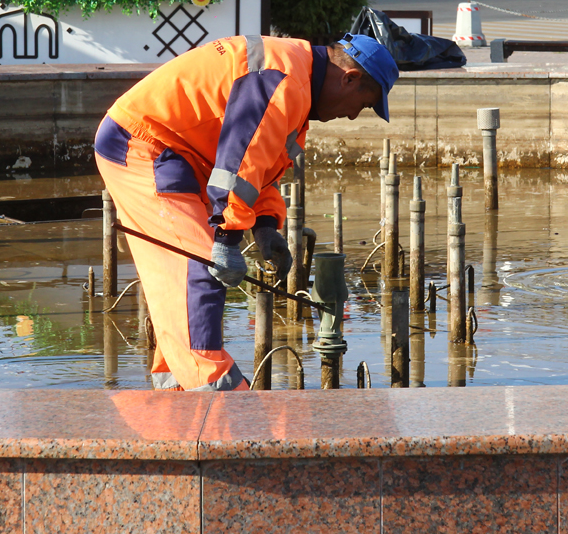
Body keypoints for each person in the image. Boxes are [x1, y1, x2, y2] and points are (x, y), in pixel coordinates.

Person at [93, 33, 399, 391]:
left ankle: (177, 391)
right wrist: (226, 237)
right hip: (144, 145)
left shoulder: (295, 82)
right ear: (349, 78)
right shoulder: (283, 79)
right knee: (201, 268)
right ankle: (218, 399)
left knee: (183, 282)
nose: (350, 115)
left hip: (180, 154)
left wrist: (267, 225)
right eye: (362, 105)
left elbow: (259, 167)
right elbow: (239, 162)